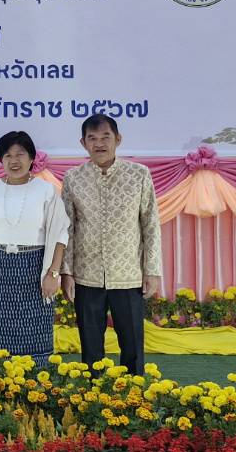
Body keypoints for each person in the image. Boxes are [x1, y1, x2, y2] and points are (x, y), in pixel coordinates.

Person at [60, 113, 162, 374]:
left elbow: (150, 224)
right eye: (92, 138)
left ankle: (133, 397)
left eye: (105, 137)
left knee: (132, 346)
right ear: (83, 143)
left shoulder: (139, 175)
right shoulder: (73, 178)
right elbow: (67, 229)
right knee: (91, 348)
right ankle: (94, 399)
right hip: (87, 276)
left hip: (127, 275)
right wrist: (66, 272)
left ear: (118, 139)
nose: (99, 144)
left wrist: (152, 270)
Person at [0, 130, 68, 364]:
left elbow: (60, 234)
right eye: (7, 155)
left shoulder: (46, 190)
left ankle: (39, 390)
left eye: (20, 154)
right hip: (0, 267)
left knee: (36, 333)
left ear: (32, 157)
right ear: (1, 160)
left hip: (36, 267)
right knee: (0, 331)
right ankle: (2, 389)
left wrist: (53, 273)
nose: (14, 161)